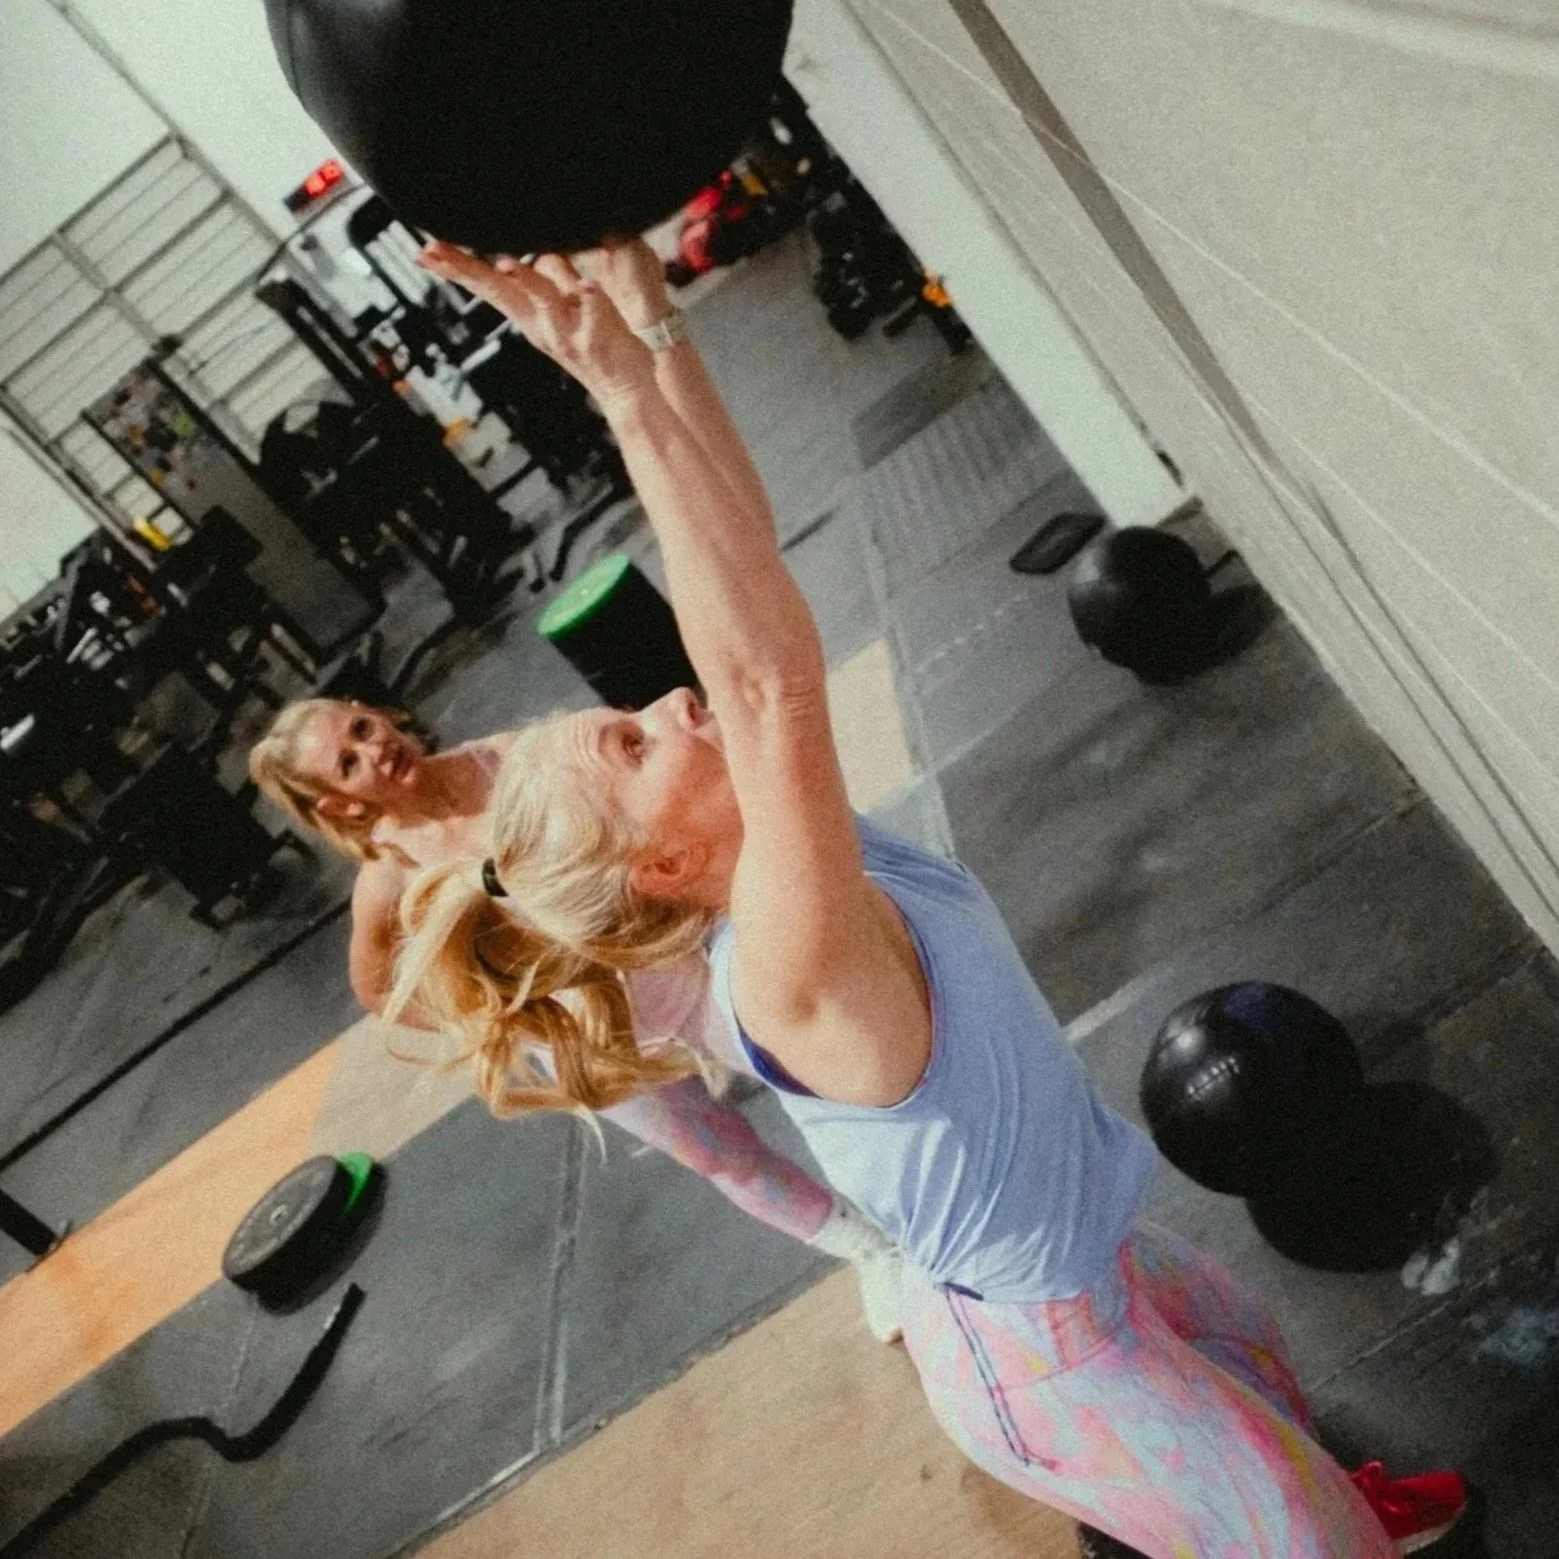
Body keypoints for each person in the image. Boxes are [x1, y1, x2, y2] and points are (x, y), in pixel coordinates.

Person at [395, 235, 1468, 1558]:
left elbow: (744, 557)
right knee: (1304, 1539)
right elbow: (762, 672)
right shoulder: (784, 957)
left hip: (1080, 1255)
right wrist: (614, 390)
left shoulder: (788, 856)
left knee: (1249, 1352)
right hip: (1047, 1359)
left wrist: (654, 329)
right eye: (629, 743)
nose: (665, 700)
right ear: (657, 867)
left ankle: (1318, 1502)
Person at [248, 696, 904, 1343]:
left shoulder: (505, 761)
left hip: (669, 971)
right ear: (339, 805)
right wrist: (495, 1011)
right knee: (715, 1151)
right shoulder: (388, 878)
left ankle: (904, 1192)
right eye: (348, 762)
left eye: (362, 728)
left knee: (807, 1062)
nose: (374, 750)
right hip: (586, 1037)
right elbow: (375, 987)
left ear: (375, 712)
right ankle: (868, 1248)